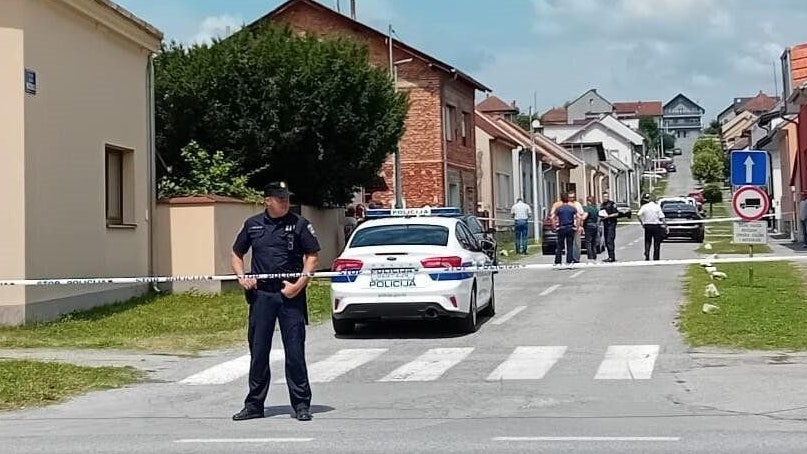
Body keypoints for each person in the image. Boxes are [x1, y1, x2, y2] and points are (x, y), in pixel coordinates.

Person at [230, 181, 321, 422]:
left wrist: (298, 285)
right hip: (262, 295)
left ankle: (301, 405)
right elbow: (237, 253)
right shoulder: (253, 224)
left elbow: (312, 257)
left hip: (290, 293)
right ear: (267, 200)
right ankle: (254, 405)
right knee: (259, 351)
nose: (285, 202)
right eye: (280, 199)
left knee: (295, 352)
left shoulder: (299, 224)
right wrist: (242, 278)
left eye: (287, 198)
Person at [551, 192, 579, 266]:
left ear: (561, 199)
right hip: (570, 227)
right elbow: (578, 217)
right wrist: (577, 226)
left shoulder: (559, 208)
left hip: (561, 227)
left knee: (559, 245)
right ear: (568, 199)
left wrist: (554, 226)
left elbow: (552, 217)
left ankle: (558, 261)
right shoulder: (572, 208)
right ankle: (569, 260)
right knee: (570, 245)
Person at [637, 193, 667, 261]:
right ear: (654, 200)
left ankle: (647, 253)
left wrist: (642, 223)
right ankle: (656, 256)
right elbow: (662, 217)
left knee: (647, 241)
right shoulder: (657, 207)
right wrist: (665, 226)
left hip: (647, 225)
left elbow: (638, 215)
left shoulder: (645, 206)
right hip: (656, 225)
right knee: (656, 242)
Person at [599, 191, 619, 262]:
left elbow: (616, 213)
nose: (606, 198)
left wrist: (608, 216)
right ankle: (609, 256)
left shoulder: (612, 204)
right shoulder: (602, 205)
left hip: (611, 224)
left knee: (610, 240)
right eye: (604, 197)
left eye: (607, 196)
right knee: (606, 241)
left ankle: (612, 257)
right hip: (605, 225)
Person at [582, 196, 600, 261]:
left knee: (588, 242)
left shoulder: (588, 208)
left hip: (589, 225)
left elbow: (584, 217)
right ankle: (594, 256)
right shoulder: (595, 208)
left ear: (588, 201)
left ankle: (590, 257)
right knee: (593, 242)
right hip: (595, 225)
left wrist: (580, 218)